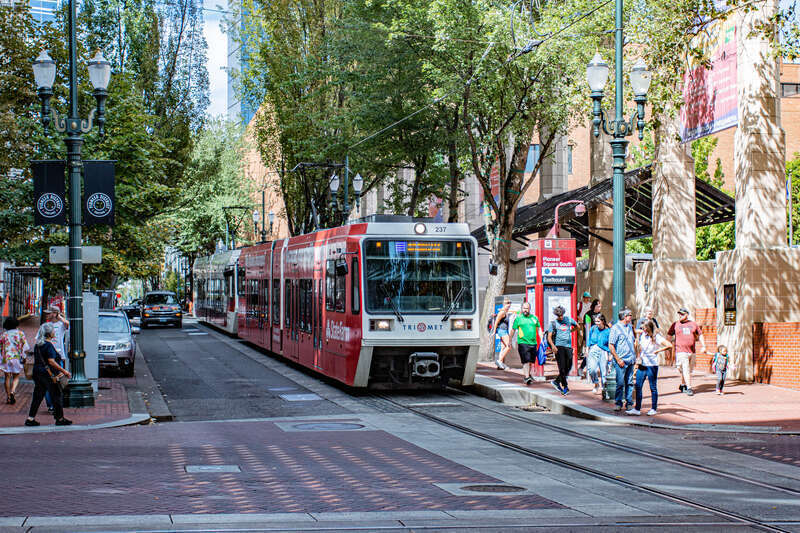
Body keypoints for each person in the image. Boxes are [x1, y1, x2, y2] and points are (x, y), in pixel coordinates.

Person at [25, 323, 72, 427]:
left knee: (37, 396)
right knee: (56, 395)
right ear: (49, 333)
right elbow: (51, 361)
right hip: (49, 374)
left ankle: (30, 418)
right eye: (53, 331)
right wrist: (64, 371)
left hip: (37, 372)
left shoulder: (38, 345)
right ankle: (59, 418)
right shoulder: (49, 345)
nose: (54, 332)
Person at [626, 320, 670, 416]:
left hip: (652, 365)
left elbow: (669, 345)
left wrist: (658, 351)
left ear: (650, 328)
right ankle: (637, 409)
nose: (644, 330)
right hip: (642, 364)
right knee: (638, 386)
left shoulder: (657, 337)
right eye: (643, 328)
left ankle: (653, 409)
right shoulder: (643, 335)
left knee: (652, 387)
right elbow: (636, 334)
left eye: (645, 328)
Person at [667, 307, 706, 397]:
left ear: (687, 315)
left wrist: (704, 346)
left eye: (682, 314)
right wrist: (668, 348)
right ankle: (689, 388)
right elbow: (669, 336)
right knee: (685, 369)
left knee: (687, 370)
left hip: (692, 351)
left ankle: (683, 385)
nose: (680, 315)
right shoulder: (675, 324)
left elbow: (700, 335)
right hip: (681, 351)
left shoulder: (693, 324)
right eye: (679, 314)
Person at [609, 308, 636, 411]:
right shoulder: (615, 328)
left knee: (629, 382)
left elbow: (634, 342)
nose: (631, 317)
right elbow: (611, 345)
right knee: (620, 383)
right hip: (621, 360)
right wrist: (618, 359)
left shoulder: (630, 327)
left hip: (630, 359)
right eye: (630, 315)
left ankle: (629, 402)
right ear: (625, 317)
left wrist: (635, 356)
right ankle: (618, 402)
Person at [510, 301, 542, 385]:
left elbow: (539, 329)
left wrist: (542, 339)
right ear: (522, 308)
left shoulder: (534, 318)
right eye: (524, 308)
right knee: (526, 361)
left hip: (533, 343)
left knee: (531, 361)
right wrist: (509, 340)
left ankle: (528, 375)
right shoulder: (518, 318)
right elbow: (513, 330)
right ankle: (527, 377)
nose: (525, 310)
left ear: (529, 309)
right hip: (523, 342)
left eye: (527, 308)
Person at [547, 305, 578, 395]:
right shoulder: (553, 323)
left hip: (568, 346)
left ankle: (556, 381)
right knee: (562, 368)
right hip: (558, 347)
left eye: (561, 315)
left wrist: (571, 331)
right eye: (558, 316)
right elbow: (549, 337)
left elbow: (577, 326)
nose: (560, 317)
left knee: (569, 365)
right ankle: (565, 387)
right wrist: (553, 346)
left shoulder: (568, 320)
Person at [0, 317, 30, 405]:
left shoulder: (3, 335)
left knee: (7, 377)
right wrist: (24, 357)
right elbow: (25, 347)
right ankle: (13, 391)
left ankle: (8, 396)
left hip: (6, 358)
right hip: (17, 357)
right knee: (16, 376)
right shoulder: (20, 334)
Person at [586, 313, 610, 394]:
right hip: (593, 350)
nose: (596, 323)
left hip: (603, 351)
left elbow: (610, 343)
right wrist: (587, 349)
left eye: (598, 321)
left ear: (602, 321)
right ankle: (596, 383)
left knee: (604, 372)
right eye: (595, 321)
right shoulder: (593, 328)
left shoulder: (608, 331)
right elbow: (589, 339)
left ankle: (604, 388)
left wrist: (610, 354)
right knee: (591, 369)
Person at [492, 297, 513, 370]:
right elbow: (496, 322)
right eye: (507, 303)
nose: (509, 305)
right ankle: (500, 361)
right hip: (502, 331)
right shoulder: (502, 312)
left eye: (510, 303)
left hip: (504, 330)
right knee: (509, 346)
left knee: (503, 347)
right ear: (504, 304)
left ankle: (500, 365)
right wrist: (494, 331)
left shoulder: (504, 311)